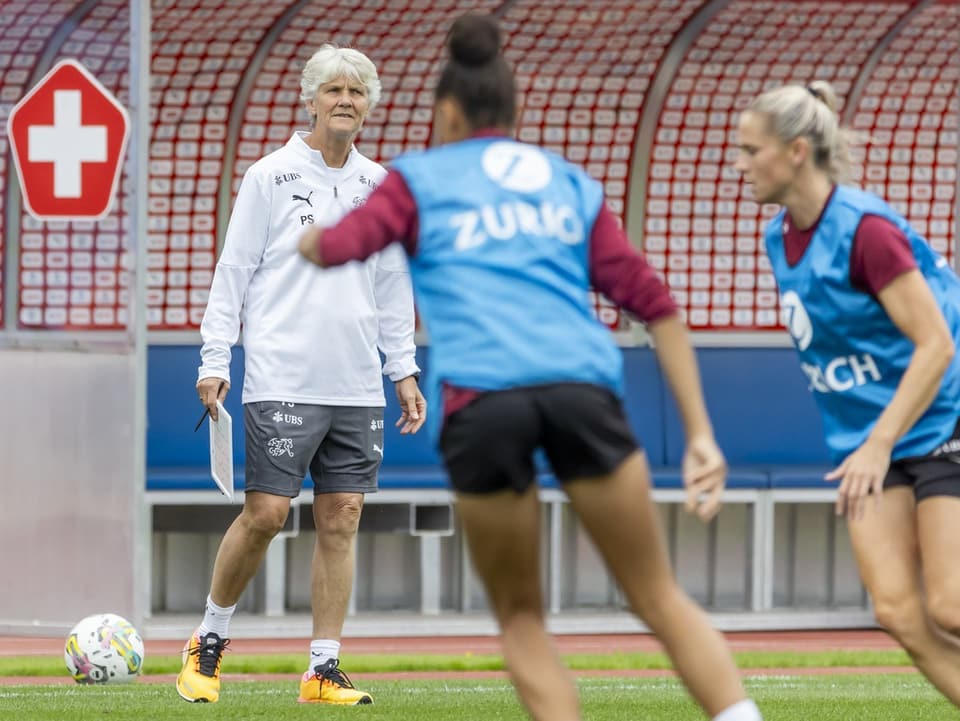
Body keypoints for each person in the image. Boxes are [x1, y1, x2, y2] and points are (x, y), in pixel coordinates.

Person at [298, 13, 763, 721]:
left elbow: (341, 246)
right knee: (658, 595)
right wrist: (700, 433)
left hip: (484, 403)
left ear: (446, 112)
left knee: (521, 617)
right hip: (582, 389)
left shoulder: (416, 178)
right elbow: (656, 305)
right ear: (515, 111)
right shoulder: (564, 181)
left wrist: (307, 240)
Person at [175, 44, 425, 706]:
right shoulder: (269, 176)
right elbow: (233, 272)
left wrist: (402, 369)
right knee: (266, 513)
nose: (346, 100)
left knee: (341, 515)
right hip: (281, 375)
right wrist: (214, 357)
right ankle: (208, 641)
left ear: (370, 105)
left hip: (356, 384)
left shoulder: (383, 186)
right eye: (334, 89)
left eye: (358, 91)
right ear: (309, 100)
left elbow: (394, 283)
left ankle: (322, 668)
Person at [735, 81, 960, 707]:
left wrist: (879, 443)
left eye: (752, 150)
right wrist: (873, 442)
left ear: (797, 150)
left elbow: (936, 345)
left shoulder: (867, 233)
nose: (740, 164)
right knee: (895, 608)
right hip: (873, 439)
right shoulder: (778, 238)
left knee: (951, 604)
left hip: (943, 416)